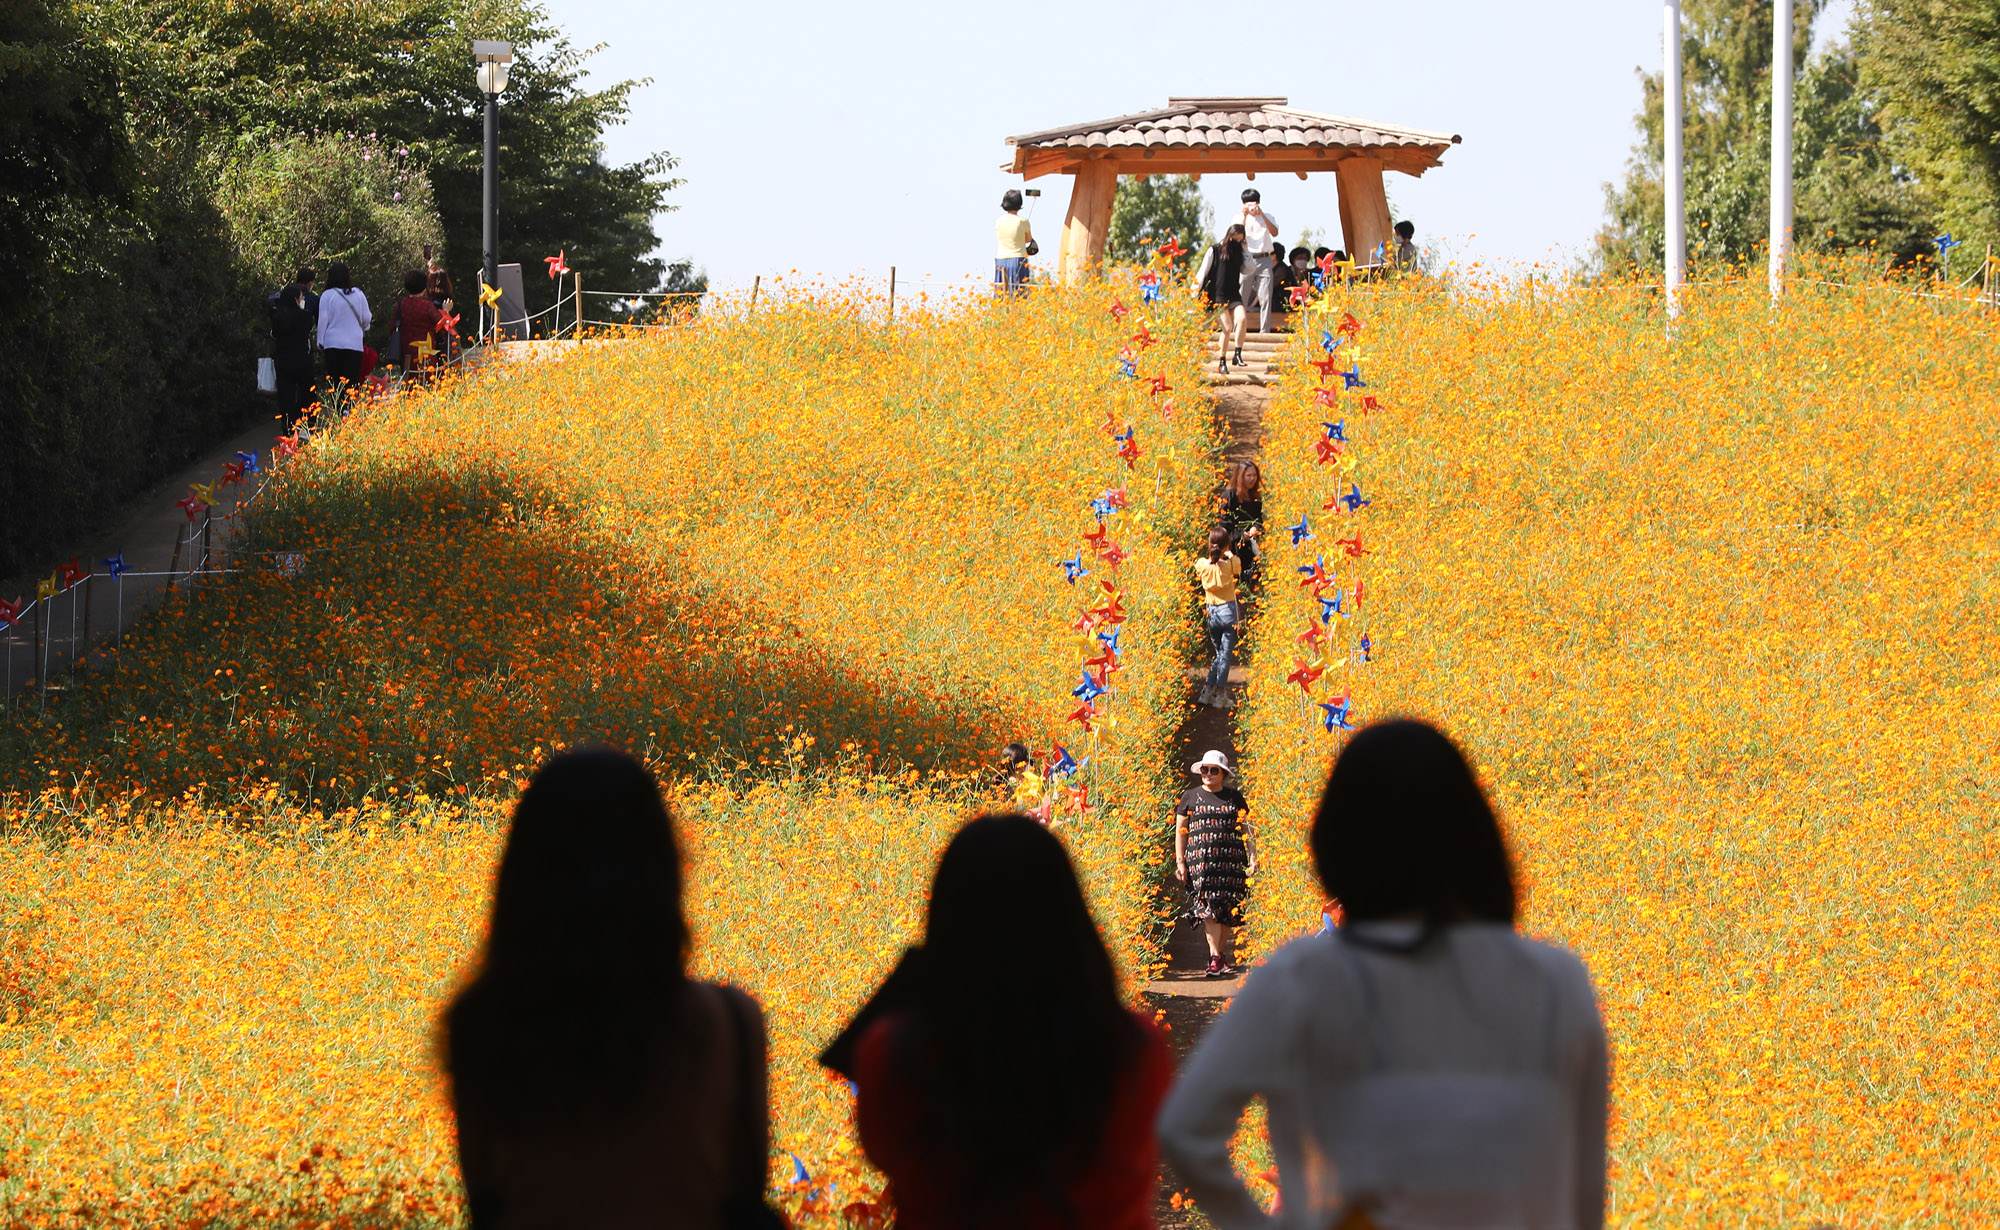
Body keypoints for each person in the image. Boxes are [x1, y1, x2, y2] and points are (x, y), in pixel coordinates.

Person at [1157, 719, 1611, 1230]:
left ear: (1336, 847)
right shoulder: (1557, 983)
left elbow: (1184, 1128)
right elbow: (1584, 1185)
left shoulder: (1300, 978)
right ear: (1477, 839)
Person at [442, 747, 777, 1228]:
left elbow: (486, 1203)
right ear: (665, 869)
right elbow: (743, 1192)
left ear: (521, 879)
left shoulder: (480, 1026)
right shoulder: (732, 1023)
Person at [822, 815, 1173, 1230]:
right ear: (1070, 915)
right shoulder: (1135, 1052)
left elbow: (878, 1148)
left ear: (944, 916)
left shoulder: (891, 1056)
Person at [1174, 750, 1255, 977]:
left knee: (1227, 909)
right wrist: (1180, 861)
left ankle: (1219, 956)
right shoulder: (1189, 796)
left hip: (1231, 862)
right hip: (1201, 862)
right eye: (1205, 769)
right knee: (1207, 908)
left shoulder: (1235, 797)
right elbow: (1181, 833)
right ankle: (1214, 957)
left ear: (1223, 774)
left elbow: (1246, 828)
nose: (1208, 774)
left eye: (1213, 770)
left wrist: (1253, 856)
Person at [1193, 527, 1242, 709]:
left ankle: (1206, 690)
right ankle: (1220, 694)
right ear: (1225, 545)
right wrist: (1228, 553)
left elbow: (1201, 566)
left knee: (1219, 654)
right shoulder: (1229, 565)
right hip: (1228, 613)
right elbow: (1238, 565)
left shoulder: (1202, 565)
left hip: (1211, 613)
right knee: (1225, 656)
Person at [1193, 224, 1248, 375]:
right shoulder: (1215, 250)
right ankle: (1222, 361)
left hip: (1234, 293)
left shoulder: (1239, 253)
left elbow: (1249, 270)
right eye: (1235, 240)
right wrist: (1193, 293)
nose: (1236, 243)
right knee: (1227, 327)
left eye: (1240, 241)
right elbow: (1203, 272)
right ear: (1229, 236)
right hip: (1218, 295)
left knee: (1242, 318)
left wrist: (1246, 250)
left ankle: (1237, 353)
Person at [269, 282, 317, 427]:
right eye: (301, 298)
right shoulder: (305, 316)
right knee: (309, 394)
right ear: (296, 299)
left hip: (283, 361)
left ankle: (288, 429)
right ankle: (309, 424)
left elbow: (275, 334)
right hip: (303, 361)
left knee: (286, 398)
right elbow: (309, 327)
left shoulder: (277, 317)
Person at [317, 261, 371, 390]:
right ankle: (349, 409)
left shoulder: (327, 295)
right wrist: (364, 327)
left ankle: (338, 408)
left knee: (335, 383)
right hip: (354, 344)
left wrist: (320, 341)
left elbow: (323, 320)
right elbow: (366, 317)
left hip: (332, 344)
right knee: (351, 382)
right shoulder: (358, 294)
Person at [1235, 189, 1280, 333]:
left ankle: (1264, 331)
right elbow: (1236, 235)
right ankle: (1237, 330)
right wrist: (1244, 215)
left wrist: (1261, 214)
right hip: (1247, 258)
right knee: (1242, 295)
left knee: (1265, 296)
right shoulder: (1238, 217)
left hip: (1264, 258)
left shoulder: (1267, 216)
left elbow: (1274, 232)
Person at [394, 269, 444, 375]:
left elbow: (392, 328)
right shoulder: (427, 305)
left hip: (406, 351)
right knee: (427, 380)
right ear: (424, 287)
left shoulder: (400, 305)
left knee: (409, 383)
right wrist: (446, 311)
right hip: (426, 351)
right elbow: (441, 325)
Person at [1220, 461, 1263, 572]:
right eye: (1248, 475)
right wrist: (1239, 533)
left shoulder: (1255, 496)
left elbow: (1258, 517)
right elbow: (1223, 520)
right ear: (1240, 476)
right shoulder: (1229, 495)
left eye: (1254, 475)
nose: (1252, 479)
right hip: (1232, 546)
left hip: (1250, 544)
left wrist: (1255, 527)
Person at [995, 189, 1036, 296]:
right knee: (1019, 294)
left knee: (1001, 294)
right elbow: (1028, 240)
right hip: (1018, 260)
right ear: (1019, 204)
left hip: (1001, 259)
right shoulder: (1023, 221)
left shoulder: (998, 221)